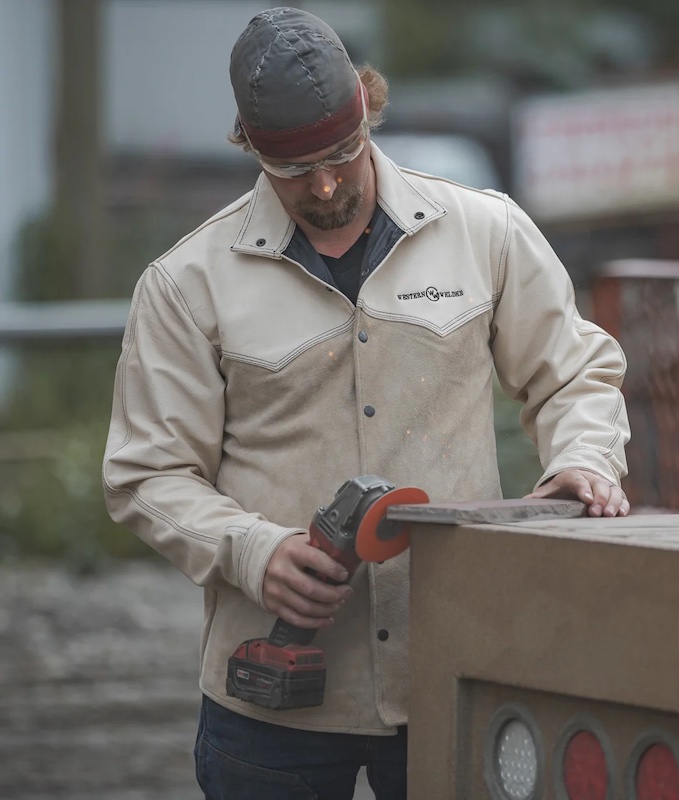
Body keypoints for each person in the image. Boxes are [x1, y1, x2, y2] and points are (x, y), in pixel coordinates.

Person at [102, 7, 630, 799]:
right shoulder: (186, 285)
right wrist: (254, 551)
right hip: (271, 713)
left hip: (454, 673)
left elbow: (574, 374)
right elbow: (147, 473)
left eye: (342, 154)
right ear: (249, 145)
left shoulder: (485, 231)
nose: (322, 184)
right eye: (295, 167)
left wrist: (583, 461)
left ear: (370, 109)